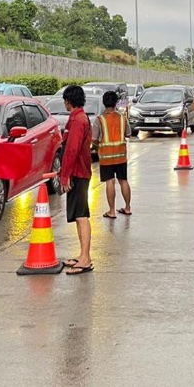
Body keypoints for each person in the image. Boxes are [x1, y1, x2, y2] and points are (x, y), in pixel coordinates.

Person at [60, 85, 94, 275]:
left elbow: (71, 150)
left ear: (67, 101)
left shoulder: (78, 120)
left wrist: (65, 177)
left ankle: (86, 259)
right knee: (79, 216)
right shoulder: (79, 118)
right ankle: (82, 255)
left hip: (78, 174)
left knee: (81, 216)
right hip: (80, 171)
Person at [93, 90, 132, 219]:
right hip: (121, 156)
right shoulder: (122, 118)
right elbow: (128, 134)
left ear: (104, 103)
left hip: (106, 157)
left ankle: (112, 211)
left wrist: (97, 145)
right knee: (123, 181)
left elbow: (94, 138)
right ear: (116, 103)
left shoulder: (100, 119)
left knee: (110, 182)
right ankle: (127, 207)